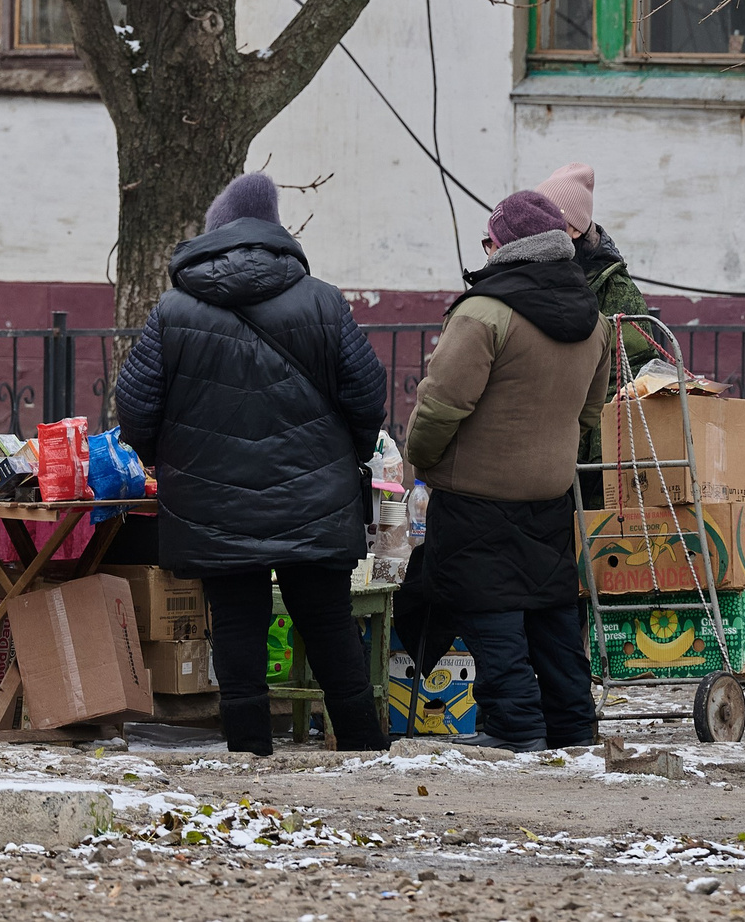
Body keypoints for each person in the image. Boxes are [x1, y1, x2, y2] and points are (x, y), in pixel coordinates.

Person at [114, 172, 391, 756]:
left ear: (216, 231)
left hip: (212, 499)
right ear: (275, 230)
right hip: (315, 497)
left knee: (236, 621)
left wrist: (163, 459)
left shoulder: (174, 308)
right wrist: (352, 452)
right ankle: (363, 748)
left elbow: (136, 404)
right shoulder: (323, 299)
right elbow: (366, 394)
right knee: (328, 621)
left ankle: (248, 750)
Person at [401, 188, 615, 753]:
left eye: (489, 240)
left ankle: (516, 725)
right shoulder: (593, 321)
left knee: (489, 609)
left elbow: (440, 407)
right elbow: (589, 412)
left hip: (475, 496)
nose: (487, 249)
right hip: (550, 495)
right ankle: (572, 726)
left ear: (506, 246)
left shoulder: (483, 314)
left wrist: (422, 461)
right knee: (551, 615)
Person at [535, 162, 653, 500]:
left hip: (592, 456)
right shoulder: (539, 271)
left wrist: (587, 439)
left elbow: (630, 376)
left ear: (574, 229)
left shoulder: (614, 288)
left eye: (547, 221)